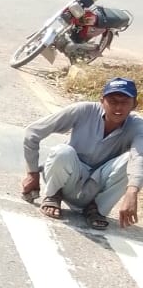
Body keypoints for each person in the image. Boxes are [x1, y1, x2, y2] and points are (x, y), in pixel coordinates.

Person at [21, 77, 143, 230]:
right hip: (68, 178)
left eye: (124, 102)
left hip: (96, 186)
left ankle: (96, 209)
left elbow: (139, 158)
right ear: (101, 101)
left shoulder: (138, 126)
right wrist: (32, 173)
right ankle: (53, 195)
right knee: (62, 152)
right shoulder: (83, 111)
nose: (118, 107)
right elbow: (33, 132)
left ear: (134, 105)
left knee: (131, 160)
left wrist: (132, 192)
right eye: (112, 101)